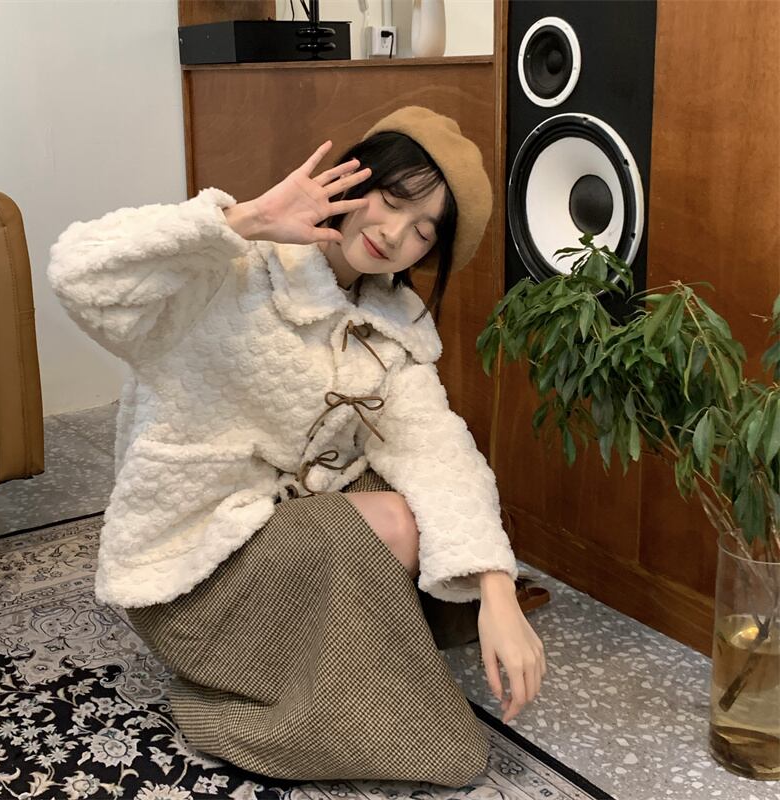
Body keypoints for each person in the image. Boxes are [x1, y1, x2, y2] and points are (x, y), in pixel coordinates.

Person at [46, 105, 546, 787]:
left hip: (281, 535)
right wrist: (243, 219)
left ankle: (314, 671)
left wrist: (497, 587)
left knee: (430, 497)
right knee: (387, 529)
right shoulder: (234, 262)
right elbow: (79, 275)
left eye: (423, 231)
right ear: (353, 178)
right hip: (193, 566)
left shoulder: (391, 321)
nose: (393, 233)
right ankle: (228, 707)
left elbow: (436, 450)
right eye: (391, 198)